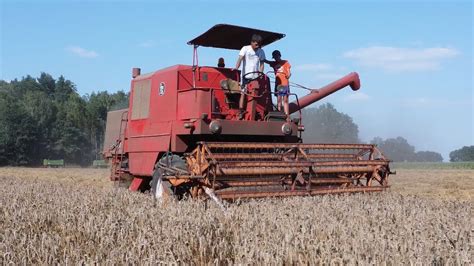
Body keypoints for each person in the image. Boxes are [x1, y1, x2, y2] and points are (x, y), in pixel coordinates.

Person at [234, 34, 266, 119]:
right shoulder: (245, 49)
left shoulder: (261, 51)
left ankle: (254, 111)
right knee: (243, 93)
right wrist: (236, 68)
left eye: (259, 44)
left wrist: (261, 73)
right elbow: (240, 59)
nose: (257, 46)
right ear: (252, 42)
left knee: (255, 93)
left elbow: (262, 64)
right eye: (256, 44)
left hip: (255, 77)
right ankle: (241, 111)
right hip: (245, 76)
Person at [265, 50, 291, 121]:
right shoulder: (274, 63)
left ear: (279, 55)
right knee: (279, 100)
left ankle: (287, 115)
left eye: (276, 56)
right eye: (274, 57)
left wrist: (289, 75)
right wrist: (261, 57)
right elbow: (266, 61)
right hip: (278, 84)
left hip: (285, 83)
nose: (275, 58)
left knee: (285, 100)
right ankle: (279, 114)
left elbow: (289, 71)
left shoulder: (285, 62)